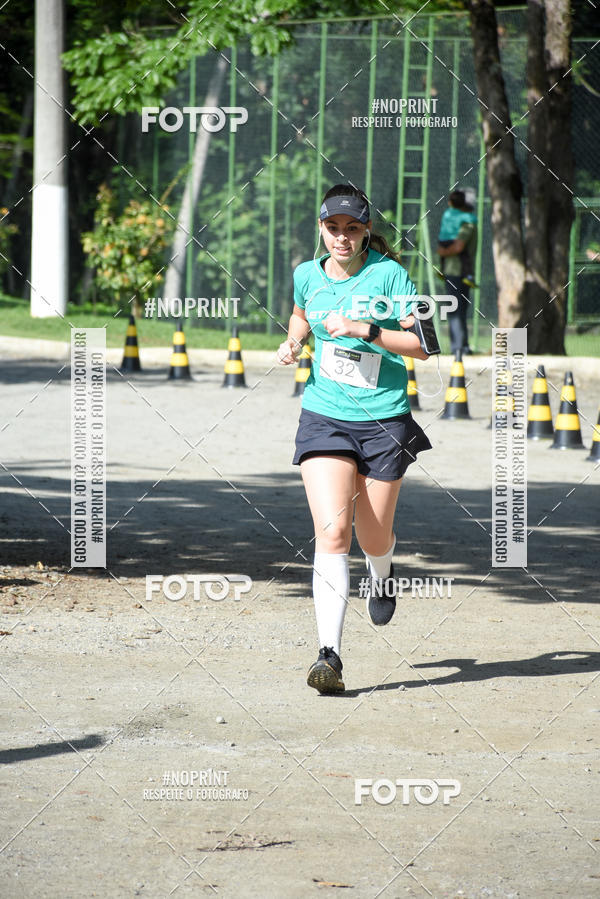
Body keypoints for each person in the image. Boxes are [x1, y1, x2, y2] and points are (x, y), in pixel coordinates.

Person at [277, 184, 432, 695]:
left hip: (385, 420)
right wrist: (295, 341)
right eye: (332, 227)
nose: (341, 237)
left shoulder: (389, 275)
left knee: (373, 535)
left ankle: (382, 573)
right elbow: (302, 314)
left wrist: (366, 329)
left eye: (352, 228)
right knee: (333, 533)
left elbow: (423, 346)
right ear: (320, 228)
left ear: (366, 230)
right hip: (325, 416)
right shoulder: (306, 274)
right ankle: (329, 655)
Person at [437, 190, 478, 356]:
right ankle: (461, 348)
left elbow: (458, 247)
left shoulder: (459, 222)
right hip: (458, 271)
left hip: (456, 270)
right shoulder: (468, 221)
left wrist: (442, 252)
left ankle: (460, 348)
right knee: (458, 309)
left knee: (456, 309)